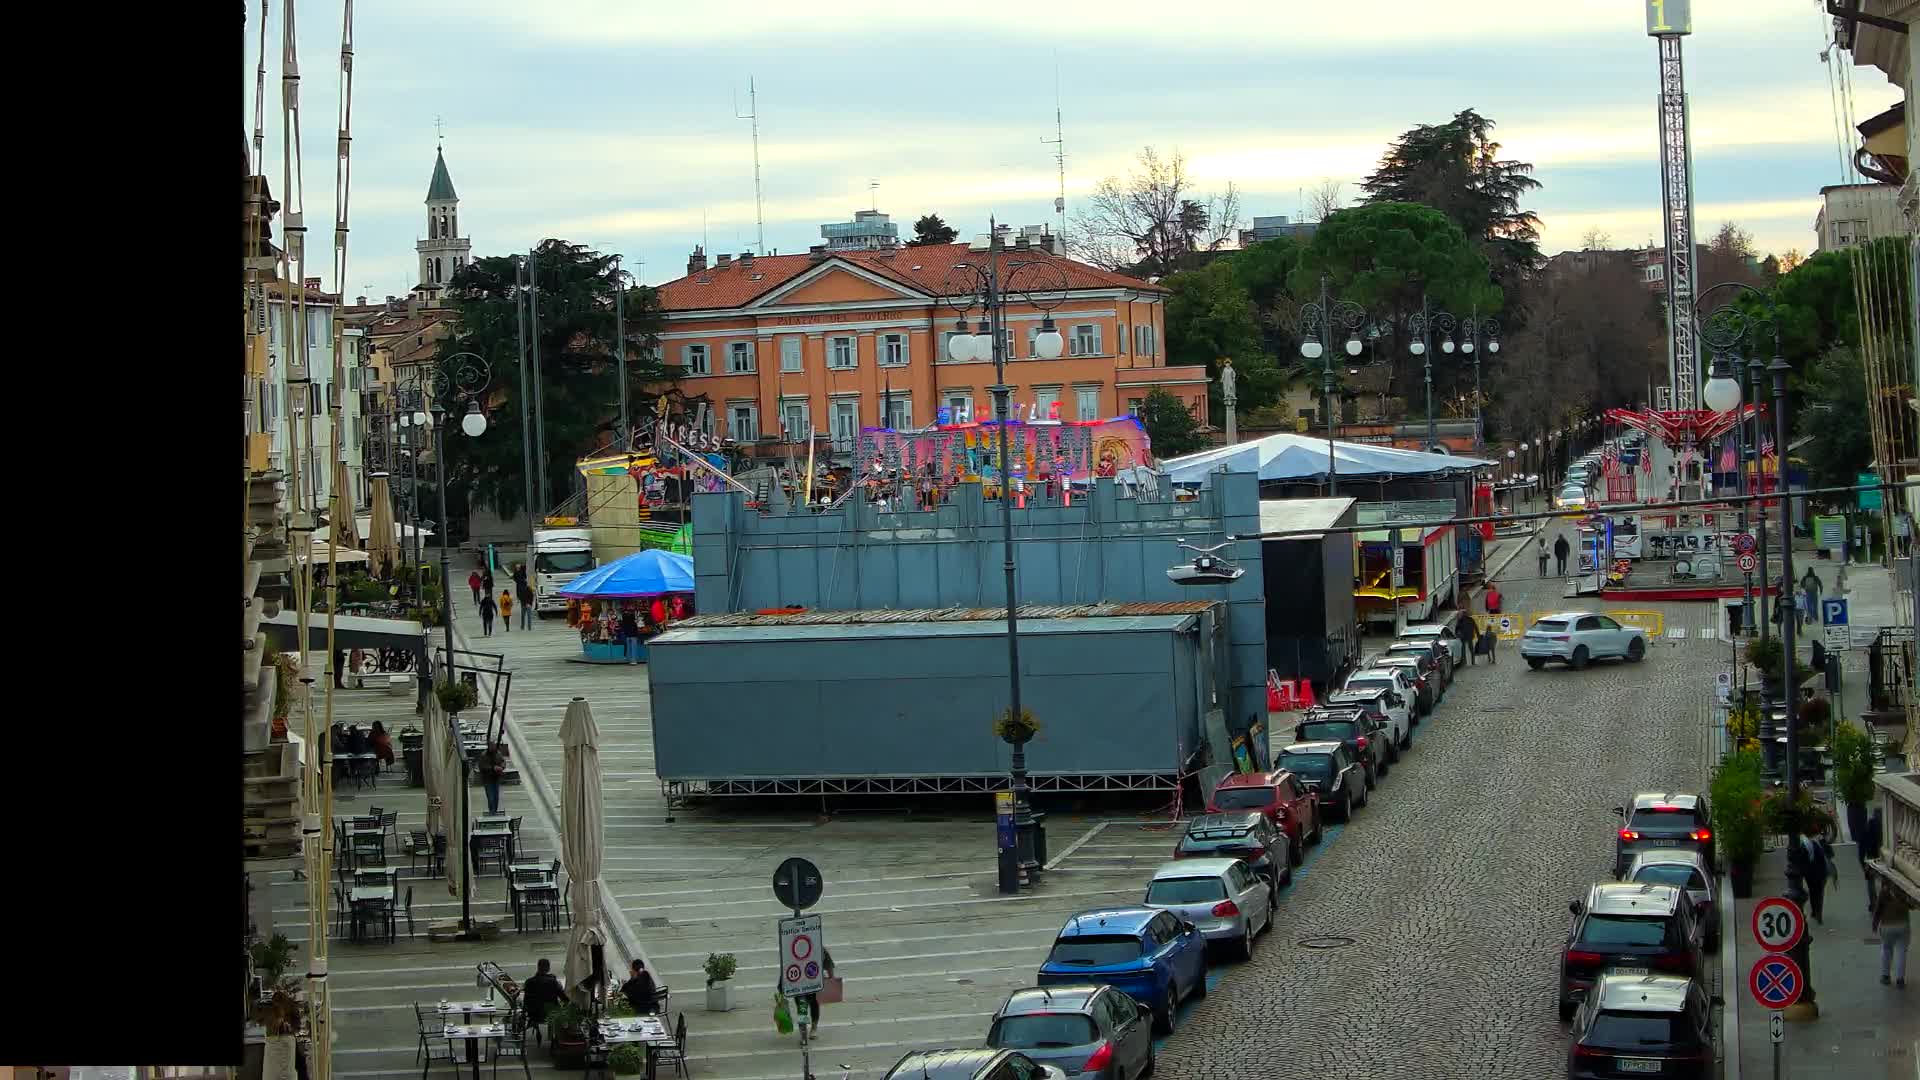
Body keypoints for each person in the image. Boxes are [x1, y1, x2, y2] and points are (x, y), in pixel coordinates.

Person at [781, 948, 835, 1036]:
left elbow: (828, 963)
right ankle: (804, 1030)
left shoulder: (817, 945)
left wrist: (831, 979)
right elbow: (786, 966)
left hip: (813, 982)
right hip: (799, 984)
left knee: (813, 1005)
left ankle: (813, 1027)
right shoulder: (791, 946)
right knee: (802, 1006)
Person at [1874, 877, 1911, 988]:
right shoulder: (1905, 889)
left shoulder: (1884, 891)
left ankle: (1885, 976)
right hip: (1903, 925)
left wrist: (1875, 923)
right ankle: (1900, 979)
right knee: (1901, 952)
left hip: (1887, 925)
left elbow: (1878, 908)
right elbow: (1913, 905)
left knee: (1886, 949)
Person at [522, 959, 567, 1031]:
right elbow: (564, 999)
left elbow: (525, 1001)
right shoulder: (553, 982)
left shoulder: (529, 982)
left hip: (533, 1014)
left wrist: (524, 1014)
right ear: (548, 968)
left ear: (538, 967)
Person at [1801, 831, 1831, 923]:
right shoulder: (1818, 843)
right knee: (1819, 894)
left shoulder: (1805, 844)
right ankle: (1818, 913)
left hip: (1810, 874)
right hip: (1820, 873)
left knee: (1813, 892)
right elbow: (1829, 854)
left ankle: (1815, 912)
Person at [1862, 808, 1885, 901]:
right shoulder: (1884, 826)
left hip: (1871, 856)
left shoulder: (1868, 826)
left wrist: (1862, 861)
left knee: (1870, 881)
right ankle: (1881, 900)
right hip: (1881, 855)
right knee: (1883, 880)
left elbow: (1862, 845)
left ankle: (1873, 901)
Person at [479, 742, 507, 814]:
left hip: (496, 779)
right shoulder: (484, 755)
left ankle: (494, 811)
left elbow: (503, 761)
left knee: (496, 797)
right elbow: (482, 767)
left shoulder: (498, 754)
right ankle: (492, 812)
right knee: (491, 797)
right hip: (488, 780)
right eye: (491, 746)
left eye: (493, 746)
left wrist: (501, 767)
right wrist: (493, 768)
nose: (493, 747)